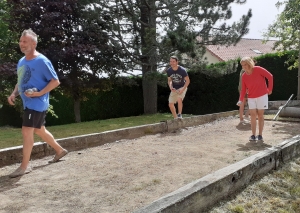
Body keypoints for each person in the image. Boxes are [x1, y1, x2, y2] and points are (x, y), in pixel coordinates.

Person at [7, 29, 68, 178]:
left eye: (25, 41)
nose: (22, 44)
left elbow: (55, 81)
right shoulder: (21, 61)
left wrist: (39, 93)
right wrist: (14, 93)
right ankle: (60, 150)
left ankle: (23, 167)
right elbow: (20, 81)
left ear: (33, 44)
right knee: (40, 130)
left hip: (37, 103)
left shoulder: (42, 61)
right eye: (21, 41)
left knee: (26, 131)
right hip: (28, 103)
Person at [237, 57, 273, 142]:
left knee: (260, 115)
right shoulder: (244, 76)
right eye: (242, 65)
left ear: (249, 63)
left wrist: (270, 89)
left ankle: (260, 135)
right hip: (251, 97)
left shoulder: (258, 69)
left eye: (245, 65)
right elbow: (243, 89)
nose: (243, 67)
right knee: (253, 115)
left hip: (262, 95)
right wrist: (240, 100)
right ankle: (253, 135)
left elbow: (270, 76)